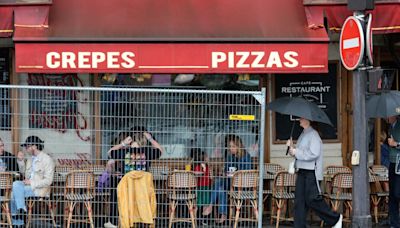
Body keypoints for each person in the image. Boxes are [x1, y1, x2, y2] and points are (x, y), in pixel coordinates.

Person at [286, 118, 342, 228]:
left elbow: (314, 153)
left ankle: (334, 218)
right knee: (299, 201)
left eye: (302, 118)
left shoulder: (314, 135)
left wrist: (296, 151)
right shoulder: (303, 134)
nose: (299, 120)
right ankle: (299, 226)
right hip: (302, 170)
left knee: (313, 199)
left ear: (308, 120)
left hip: (311, 172)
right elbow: (300, 154)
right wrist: (292, 148)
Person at [104, 128, 163, 228]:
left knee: (115, 191)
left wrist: (123, 143)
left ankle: (114, 221)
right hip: (142, 192)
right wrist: (150, 139)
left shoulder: (125, 152)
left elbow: (109, 153)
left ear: (130, 142)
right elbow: (161, 151)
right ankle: (143, 218)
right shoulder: (148, 152)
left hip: (128, 191)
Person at [202, 134, 252, 224]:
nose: (231, 148)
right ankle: (221, 213)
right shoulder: (230, 156)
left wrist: (234, 172)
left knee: (220, 186)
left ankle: (212, 207)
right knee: (220, 186)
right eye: (230, 146)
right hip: (230, 183)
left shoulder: (246, 156)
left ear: (238, 146)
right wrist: (223, 172)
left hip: (242, 185)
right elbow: (226, 170)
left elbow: (246, 172)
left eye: (233, 146)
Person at [10, 136, 55, 227]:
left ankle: (18, 222)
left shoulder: (47, 159)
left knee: (13, 193)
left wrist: (32, 182)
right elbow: (24, 173)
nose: (26, 149)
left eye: (27, 146)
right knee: (15, 184)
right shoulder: (31, 159)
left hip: (40, 189)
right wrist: (21, 161)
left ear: (34, 146)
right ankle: (22, 210)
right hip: (28, 187)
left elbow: (48, 181)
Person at [386, 115, 400, 228]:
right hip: (392, 162)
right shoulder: (390, 127)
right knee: (392, 194)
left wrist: (395, 144)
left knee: (397, 192)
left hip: (399, 163)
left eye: (389, 115)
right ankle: (394, 222)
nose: (387, 117)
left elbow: (394, 143)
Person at [191, 148, 212, 225]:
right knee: (198, 203)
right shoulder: (198, 166)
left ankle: (204, 219)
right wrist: (202, 169)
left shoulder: (208, 167)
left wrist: (209, 166)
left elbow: (211, 177)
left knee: (206, 203)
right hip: (200, 187)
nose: (208, 158)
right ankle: (196, 219)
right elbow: (196, 175)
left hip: (207, 187)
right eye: (206, 157)